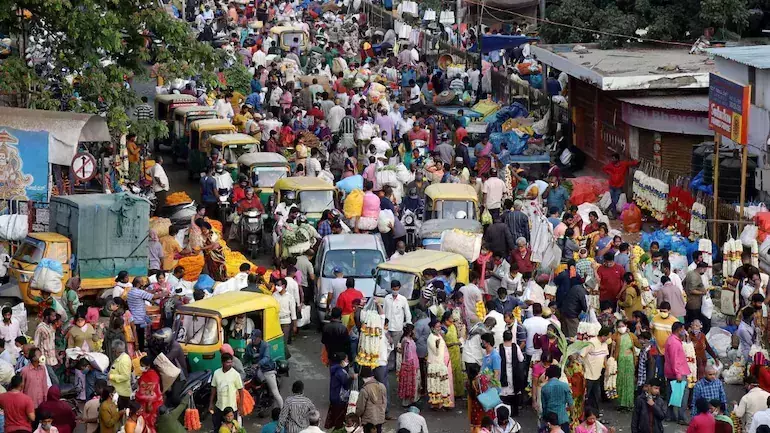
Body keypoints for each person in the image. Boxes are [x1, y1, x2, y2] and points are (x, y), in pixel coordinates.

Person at [664, 321, 691, 424]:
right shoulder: (675, 343)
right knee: (683, 395)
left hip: (671, 372)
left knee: (671, 394)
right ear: (679, 330)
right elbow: (675, 360)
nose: (684, 331)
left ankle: (669, 415)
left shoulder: (671, 340)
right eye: (683, 329)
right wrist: (678, 374)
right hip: (678, 372)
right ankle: (681, 417)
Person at [209, 353, 244, 431]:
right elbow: (213, 388)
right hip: (219, 406)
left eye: (231, 362)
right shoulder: (216, 373)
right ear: (222, 362)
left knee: (232, 429)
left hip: (231, 408)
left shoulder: (236, 374)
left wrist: (241, 406)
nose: (230, 364)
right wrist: (211, 403)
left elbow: (241, 391)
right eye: (227, 362)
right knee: (217, 428)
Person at [611, 320, 640, 411]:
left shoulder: (631, 335)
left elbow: (638, 345)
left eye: (622, 326)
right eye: (619, 326)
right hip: (620, 361)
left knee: (629, 381)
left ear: (626, 326)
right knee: (620, 381)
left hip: (630, 361)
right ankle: (620, 403)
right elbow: (609, 346)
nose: (621, 328)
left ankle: (629, 403)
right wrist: (612, 345)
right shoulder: (615, 336)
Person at [426, 317, 454, 409]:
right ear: (432, 328)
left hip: (440, 363)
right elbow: (436, 351)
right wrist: (437, 344)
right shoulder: (431, 337)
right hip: (434, 364)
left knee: (441, 384)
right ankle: (435, 405)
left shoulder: (439, 336)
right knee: (435, 385)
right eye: (437, 327)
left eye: (439, 327)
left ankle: (441, 403)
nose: (439, 328)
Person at [582, 326, 611, 411]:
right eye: (608, 337)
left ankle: (595, 413)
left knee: (596, 396)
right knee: (586, 396)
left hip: (598, 375)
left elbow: (604, 356)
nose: (608, 339)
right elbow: (582, 356)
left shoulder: (604, 344)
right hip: (588, 375)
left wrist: (607, 369)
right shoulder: (591, 343)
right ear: (603, 336)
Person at [602, 153, 638, 218]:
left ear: (617, 159)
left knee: (615, 200)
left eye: (613, 158)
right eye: (611, 158)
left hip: (619, 186)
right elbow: (604, 168)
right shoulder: (610, 165)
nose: (612, 160)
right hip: (612, 185)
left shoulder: (623, 164)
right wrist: (610, 174)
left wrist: (636, 162)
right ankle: (613, 214)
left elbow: (631, 163)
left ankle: (608, 211)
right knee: (614, 200)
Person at [327, 352, 355, 430]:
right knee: (339, 420)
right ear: (342, 361)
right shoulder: (340, 372)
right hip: (339, 398)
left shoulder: (335, 369)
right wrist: (352, 378)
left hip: (334, 396)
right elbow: (346, 384)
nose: (347, 361)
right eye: (346, 359)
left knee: (336, 417)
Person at [540, 365, 573, 432]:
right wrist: (572, 416)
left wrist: (544, 418)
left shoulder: (544, 388)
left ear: (548, 375)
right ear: (559, 375)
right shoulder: (565, 386)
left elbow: (544, 406)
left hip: (550, 420)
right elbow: (571, 403)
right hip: (563, 418)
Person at [355, 367, 387, 433]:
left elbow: (360, 408)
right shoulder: (382, 386)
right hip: (380, 419)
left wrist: (356, 416)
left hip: (368, 421)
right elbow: (385, 403)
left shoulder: (364, 390)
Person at [442, 311, 466, 399]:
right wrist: (454, 343)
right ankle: (451, 392)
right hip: (448, 353)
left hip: (456, 352)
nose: (452, 319)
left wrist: (460, 328)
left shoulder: (453, 326)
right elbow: (443, 343)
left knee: (457, 371)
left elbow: (458, 335)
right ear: (446, 319)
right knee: (450, 372)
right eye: (451, 318)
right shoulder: (443, 328)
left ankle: (459, 392)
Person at [135, 356, 163, 432]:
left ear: (148, 365)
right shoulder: (149, 373)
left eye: (142, 365)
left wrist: (137, 395)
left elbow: (151, 393)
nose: (141, 367)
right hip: (151, 403)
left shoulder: (152, 376)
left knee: (150, 423)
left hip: (151, 405)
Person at [274, 278, 297, 360]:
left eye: (278, 285)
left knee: (283, 341)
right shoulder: (274, 295)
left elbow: (293, 312)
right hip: (276, 321)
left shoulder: (290, 297)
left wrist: (295, 325)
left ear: (283, 286)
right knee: (277, 341)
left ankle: (284, 357)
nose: (277, 287)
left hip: (286, 322)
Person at [398, 324, 421, 407]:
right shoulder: (405, 340)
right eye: (413, 331)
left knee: (415, 382)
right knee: (409, 383)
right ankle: (407, 401)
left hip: (414, 363)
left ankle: (413, 400)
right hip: (409, 364)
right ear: (410, 331)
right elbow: (405, 353)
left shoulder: (410, 340)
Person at [685, 262, 710, 328]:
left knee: (689, 319)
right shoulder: (695, 276)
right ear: (701, 268)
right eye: (704, 270)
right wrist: (702, 293)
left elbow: (683, 283)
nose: (704, 272)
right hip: (694, 303)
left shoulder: (690, 273)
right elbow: (692, 290)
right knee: (694, 321)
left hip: (689, 301)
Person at [108, 339, 132, 410]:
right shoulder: (121, 358)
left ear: (116, 350)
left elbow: (125, 376)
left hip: (122, 393)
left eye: (113, 350)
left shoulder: (123, 360)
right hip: (118, 391)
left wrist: (111, 376)